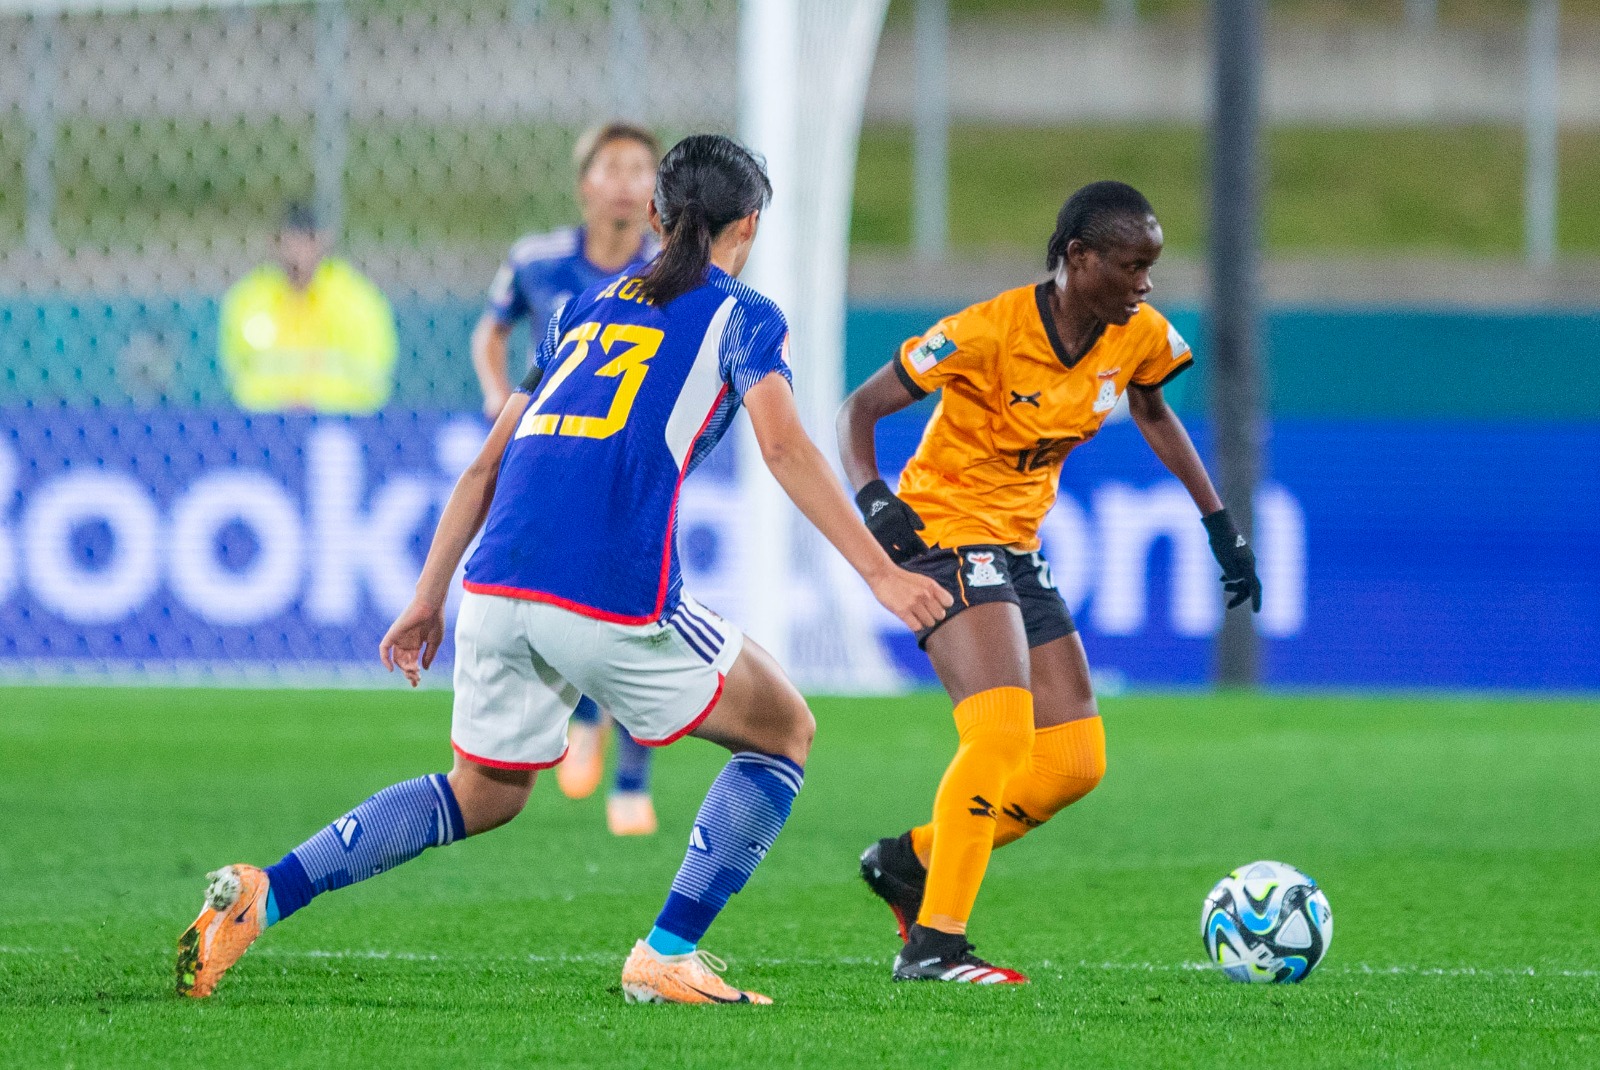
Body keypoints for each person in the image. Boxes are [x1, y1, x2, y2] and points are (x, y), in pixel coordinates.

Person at [176, 134, 951, 1007]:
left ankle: (267, 890)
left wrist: (428, 597)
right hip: (606, 590)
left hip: (496, 584)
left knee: (483, 792)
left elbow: (484, 467)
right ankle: (667, 952)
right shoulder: (743, 315)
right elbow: (785, 447)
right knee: (785, 733)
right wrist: (882, 574)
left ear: (655, 216)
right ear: (751, 225)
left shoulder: (581, 308)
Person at [838, 181, 1263, 984]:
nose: (1145, 285)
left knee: (1073, 761)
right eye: (1132, 266)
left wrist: (1218, 525)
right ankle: (936, 945)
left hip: (1016, 546)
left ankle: (910, 860)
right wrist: (875, 502)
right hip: (944, 532)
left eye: (1153, 268)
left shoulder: (1134, 334)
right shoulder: (987, 332)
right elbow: (856, 412)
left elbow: (1155, 412)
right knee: (998, 737)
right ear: (1078, 258)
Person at [471, 121, 663, 832]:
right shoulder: (537, 260)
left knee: (643, 603)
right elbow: (490, 331)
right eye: (611, 168)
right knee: (571, 599)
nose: (625, 181)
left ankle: (631, 781)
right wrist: (497, 392)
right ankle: (586, 714)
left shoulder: (668, 271)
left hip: (630, 464)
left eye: (641, 169)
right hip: (549, 460)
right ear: (585, 184)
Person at [218, 203, 398, 413]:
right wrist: (282, 401)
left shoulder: (358, 301)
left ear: (323, 241)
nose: (298, 252)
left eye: (307, 240)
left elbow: (374, 378)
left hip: (338, 420)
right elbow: (237, 377)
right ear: (275, 242)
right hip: (266, 422)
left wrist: (316, 401)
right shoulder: (247, 299)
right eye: (290, 241)